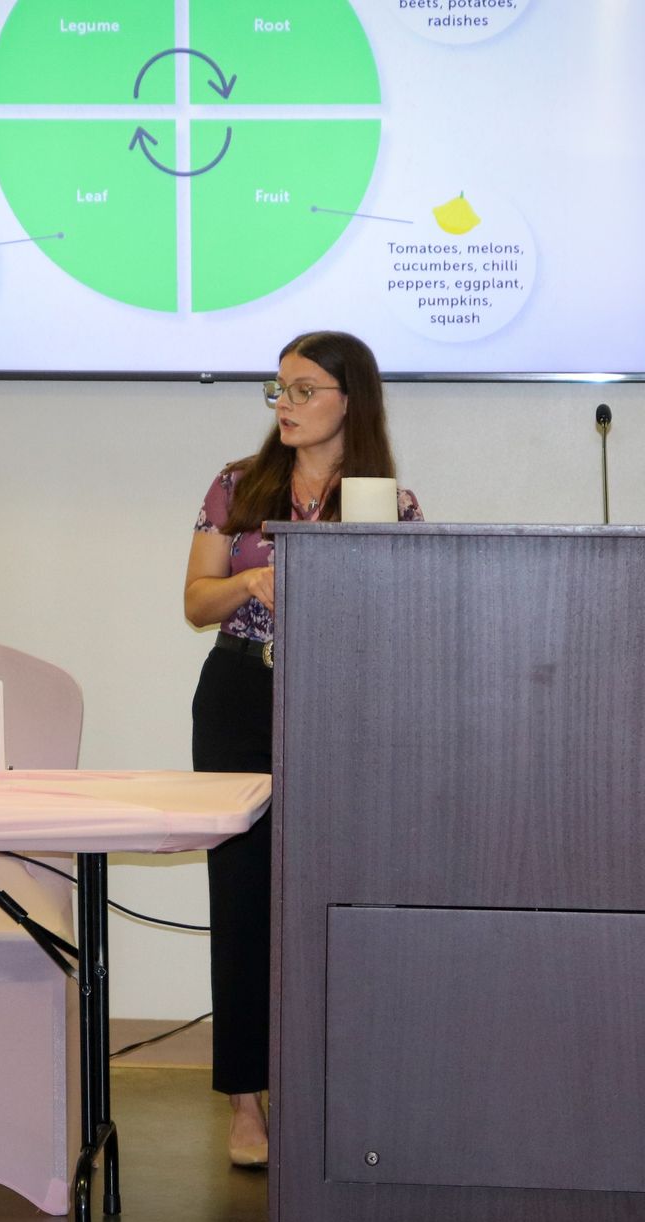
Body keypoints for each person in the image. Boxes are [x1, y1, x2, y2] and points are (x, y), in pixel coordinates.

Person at [182, 332, 423, 1167]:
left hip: (339, 702)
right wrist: (253, 581)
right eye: (277, 389)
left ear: (349, 400)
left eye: (303, 389)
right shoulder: (239, 486)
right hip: (241, 696)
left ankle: (327, 1086)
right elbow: (194, 601)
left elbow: (404, 619)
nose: (283, 404)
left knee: (332, 893)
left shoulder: (389, 503)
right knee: (243, 896)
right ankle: (246, 1106)